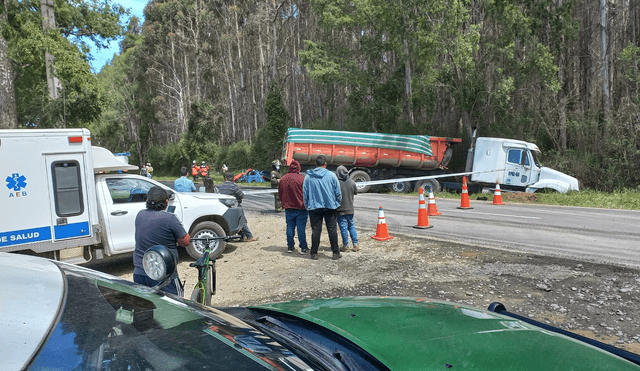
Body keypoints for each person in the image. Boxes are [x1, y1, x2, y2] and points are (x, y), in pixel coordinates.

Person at [133, 186, 190, 296]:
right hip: (164, 276)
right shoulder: (169, 218)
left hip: (140, 272)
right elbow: (186, 241)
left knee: (146, 307)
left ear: (147, 201)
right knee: (176, 306)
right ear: (166, 202)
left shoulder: (140, 215)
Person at [303, 155, 342, 260]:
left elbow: (305, 193)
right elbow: (338, 192)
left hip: (314, 207)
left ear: (316, 164)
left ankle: (314, 253)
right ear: (325, 164)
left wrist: (307, 205)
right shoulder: (332, 175)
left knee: (316, 230)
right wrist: (337, 202)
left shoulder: (308, 176)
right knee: (332, 230)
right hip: (330, 207)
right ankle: (335, 252)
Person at [278, 160, 308, 253]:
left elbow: (280, 193)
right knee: (301, 228)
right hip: (301, 207)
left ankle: (290, 247)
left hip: (288, 207)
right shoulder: (302, 178)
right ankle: (303, 247)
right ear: (299, 168)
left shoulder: (283, 179)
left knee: (290, 227)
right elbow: (306, 193)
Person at [219, 172, 258, 242]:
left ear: (225, 178)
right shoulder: (234, 186)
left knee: (236, 221)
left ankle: (242, 236)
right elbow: (241, 195)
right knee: (242, 220)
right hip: (234, 206)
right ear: (233, 178)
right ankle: (249, 236)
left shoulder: (222, 186)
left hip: (223, 207)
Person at [335, 165, 359, 252]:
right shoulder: (352, 182)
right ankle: (355, 244)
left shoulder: (336, 183)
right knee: (352, 226)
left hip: (340, 210)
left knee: (343, 228)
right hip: (350, 209)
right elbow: (355, 192)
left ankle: (346, 245)